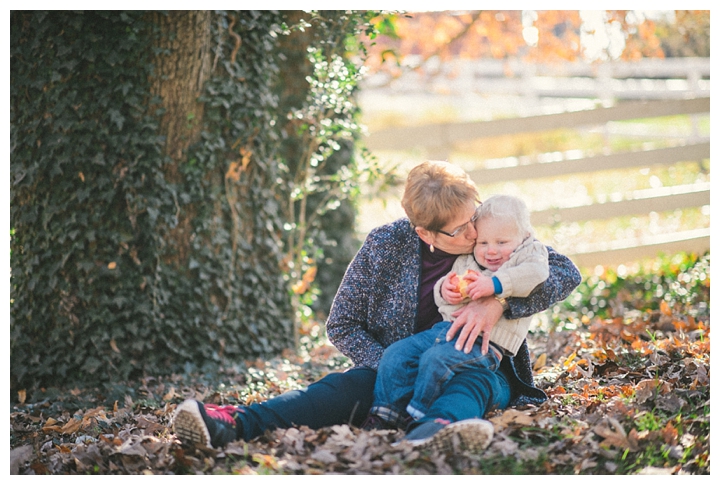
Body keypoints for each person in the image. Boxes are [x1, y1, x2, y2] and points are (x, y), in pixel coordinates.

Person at [172, 160, 581, 453]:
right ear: (425, 233)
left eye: (474, 217)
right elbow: (343, 324)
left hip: (482, 362)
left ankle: (432, 432)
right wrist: (391, 365)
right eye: (461, 229)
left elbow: (562, 271)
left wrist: (498, 303)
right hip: (394, 371)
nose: (476, 232)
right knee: (335, 392)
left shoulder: (494, 234)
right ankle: (233, 422)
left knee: (466, 386)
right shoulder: (386, 247)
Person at [367, 194, 550, 430]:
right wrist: (446, 290)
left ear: (523, 237)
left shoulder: (529, 253)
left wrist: (495, 285)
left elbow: (536, 274)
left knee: (436, 361)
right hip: (445, 330)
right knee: (396, 354)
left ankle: (416, 416)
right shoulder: (469, 257)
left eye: (501, 243)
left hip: (486, 343)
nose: (491, 251)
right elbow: (446, 291)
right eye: (483, 243)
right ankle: (384, 415)